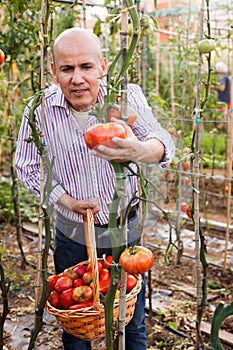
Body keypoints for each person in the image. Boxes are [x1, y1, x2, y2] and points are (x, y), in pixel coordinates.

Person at [15, 27, 175, 350]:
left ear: (102, 67)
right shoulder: (40, 110)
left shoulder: (125, 98)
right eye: (67, 69)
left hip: (124, 231)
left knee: (132, 323)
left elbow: (163, 143)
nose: (77, 78)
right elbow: (26, 165)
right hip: (73, 235)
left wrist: (139, 151)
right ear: (53, 71)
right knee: (76, 327)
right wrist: (67, 200)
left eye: (86, 67)